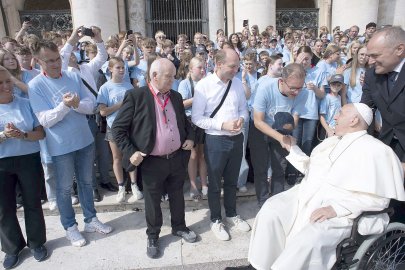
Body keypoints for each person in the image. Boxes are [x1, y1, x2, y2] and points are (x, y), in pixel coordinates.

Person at [248, 103, 405, 270]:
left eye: (340, 113)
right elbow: (313, 170)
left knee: (309, 237)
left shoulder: (376, 150)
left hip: (344, 210)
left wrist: (336, 209)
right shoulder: (331, 142)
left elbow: (378, 200)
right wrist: (292, 149)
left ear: (353, 120)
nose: (335, 117)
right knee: (271, 211)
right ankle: (261, 266)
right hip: (306, 196)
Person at [28, 40, 112, 247]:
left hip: (84, 139)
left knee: (86, 183)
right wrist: (65, 106)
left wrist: (76, 104)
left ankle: (91, 220)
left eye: (58, 59)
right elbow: (45, 120)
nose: (56, 64)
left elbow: (90, 104)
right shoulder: (35, 85)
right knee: (65, 189)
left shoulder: (73, 75)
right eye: (50, 61)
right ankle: (70, 227)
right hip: (60, 146)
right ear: (38, 61)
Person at [112, 58, 197, 258]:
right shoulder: (136, 96)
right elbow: (118, 129)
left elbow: (185, 122)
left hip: (176, 157)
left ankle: (179, 226)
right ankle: (153, 235)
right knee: (152, 200)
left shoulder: (175, 96)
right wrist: (131, 151)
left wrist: (191, 138)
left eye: (174, 77)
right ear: (154, 75)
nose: (172, 81)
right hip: (151, 160)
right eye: (169, 77)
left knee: (177, 194)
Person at [192, 49, 250, 241]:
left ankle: (232, 214)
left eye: (237, 65)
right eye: (232, 66)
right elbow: (197, 118)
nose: (236, 69)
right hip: (215, 141)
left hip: (236, 138)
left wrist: (241, 119)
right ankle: (216, 219)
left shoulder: (237, 85)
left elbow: (244, 109)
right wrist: (222, 125)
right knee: (215, 183)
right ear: (218, 64)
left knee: (232, 180)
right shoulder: (204, 85)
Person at [0, 66, 48, 269]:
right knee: (4, 208)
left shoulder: (26, 103)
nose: (5, 86)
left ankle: (36, 243)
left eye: (8, 81)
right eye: (0, 83)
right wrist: (3, 135)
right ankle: (12, 248)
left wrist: (23, 135)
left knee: (32, 203)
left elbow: (41, 133)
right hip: (1, 163)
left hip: (29, 159)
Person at [361, 26, 405, 223]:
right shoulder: (372, 75)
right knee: (390, 200)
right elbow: (364, 110)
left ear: (399, 49)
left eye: (375, 55)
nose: (370, 60)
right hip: (388, 145)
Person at [248, 63, 305, 207]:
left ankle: (277, 203)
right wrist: (281, 138)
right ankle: (263, 202)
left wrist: (289, 132)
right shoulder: (265, 89)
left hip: (282, 128)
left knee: (280, 167)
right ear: (281, 80)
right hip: (260, 130)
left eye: (300, 88)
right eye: (293, 88)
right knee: (260, 168)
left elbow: (295, 118)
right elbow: (258, 121)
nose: (297, 92)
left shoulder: (300, 91)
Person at [97, 57, 142, 203]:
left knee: (131, 155)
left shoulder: (129, 86)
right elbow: (103, 111)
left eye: (123, 67)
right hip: (113, 127)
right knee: (116, 157)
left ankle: (134, 186)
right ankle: (121, 186)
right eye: (118, 67)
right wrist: (121, 104)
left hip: (130, 126)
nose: (122, 70)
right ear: (110, 69)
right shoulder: (105, 88)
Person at [177, 57, 208, 199]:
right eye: (199, 67)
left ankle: (204, 183)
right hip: (190, 122)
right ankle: (193, 185)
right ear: (190, 69)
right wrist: (199, 97)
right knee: (193, 155)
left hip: (204, 121)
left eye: (204, 67)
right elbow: (181, 104)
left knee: (202, 155)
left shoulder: (207, 83)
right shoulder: (184, 84)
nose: (202, 70)